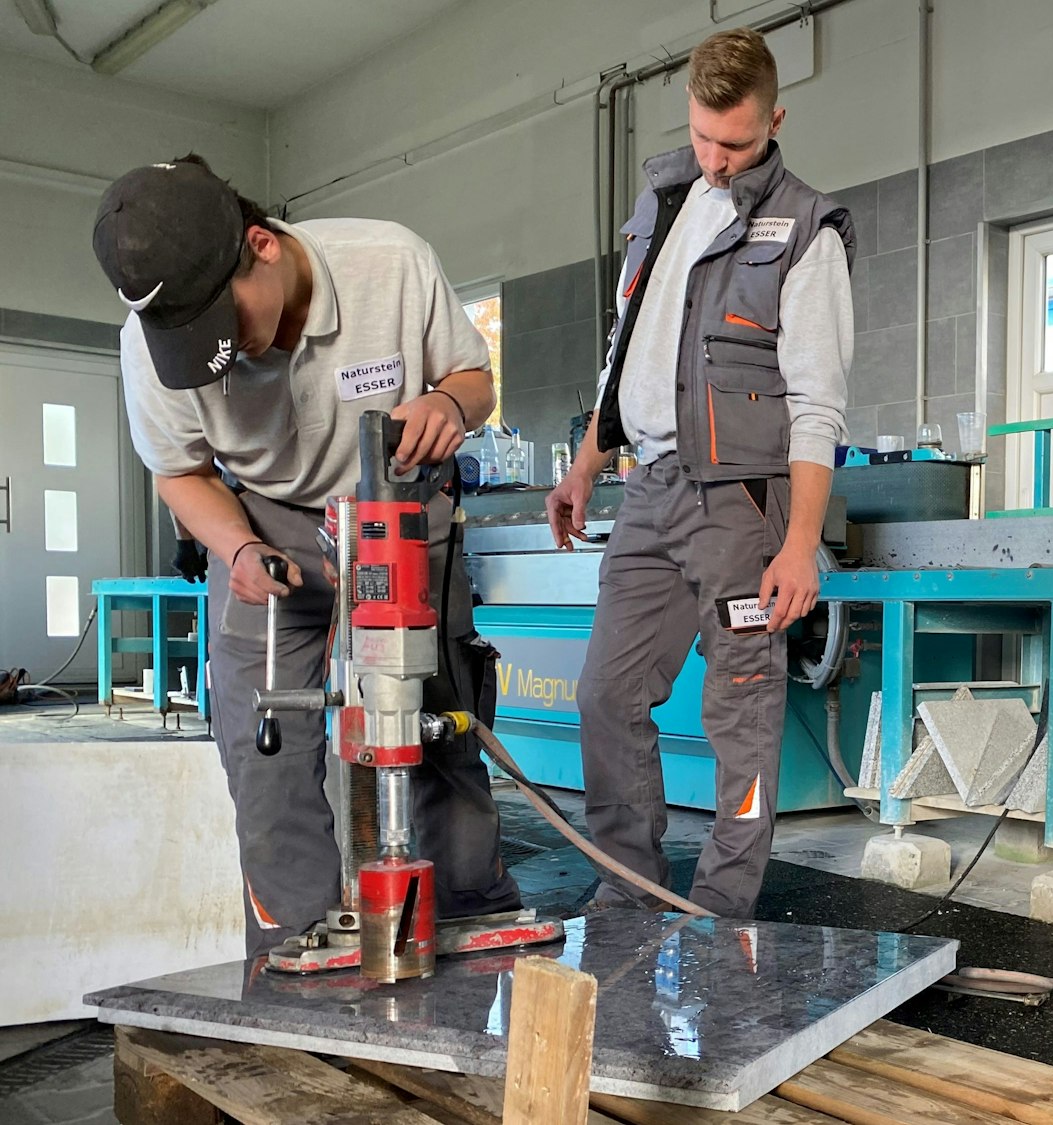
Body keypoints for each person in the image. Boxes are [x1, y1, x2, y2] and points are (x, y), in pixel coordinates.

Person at [93, 154, 522, 956]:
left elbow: (475, 378)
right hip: (263, 528)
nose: (228, 356)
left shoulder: (388, 263)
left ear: (260, 244)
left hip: (396, 513)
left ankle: (472, 925)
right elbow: (180, 472)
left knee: (439, 737)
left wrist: (444, 401)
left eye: (229, 329)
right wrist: (240, 548)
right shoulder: (150, 347)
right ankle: (300, 954)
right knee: (266, 754)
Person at [545, 27, 854, 917]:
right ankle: (632, 890)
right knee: (605, 693)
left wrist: (800, 545)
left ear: (776, 120)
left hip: (741, 505)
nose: (717, 160)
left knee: (741, 710)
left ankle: (722, 911)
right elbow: (628, 353)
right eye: (705, 137)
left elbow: (817, 403)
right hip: (647, 491)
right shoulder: (662, 204)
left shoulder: (805, 231)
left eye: (738, 143)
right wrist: (583, 464)